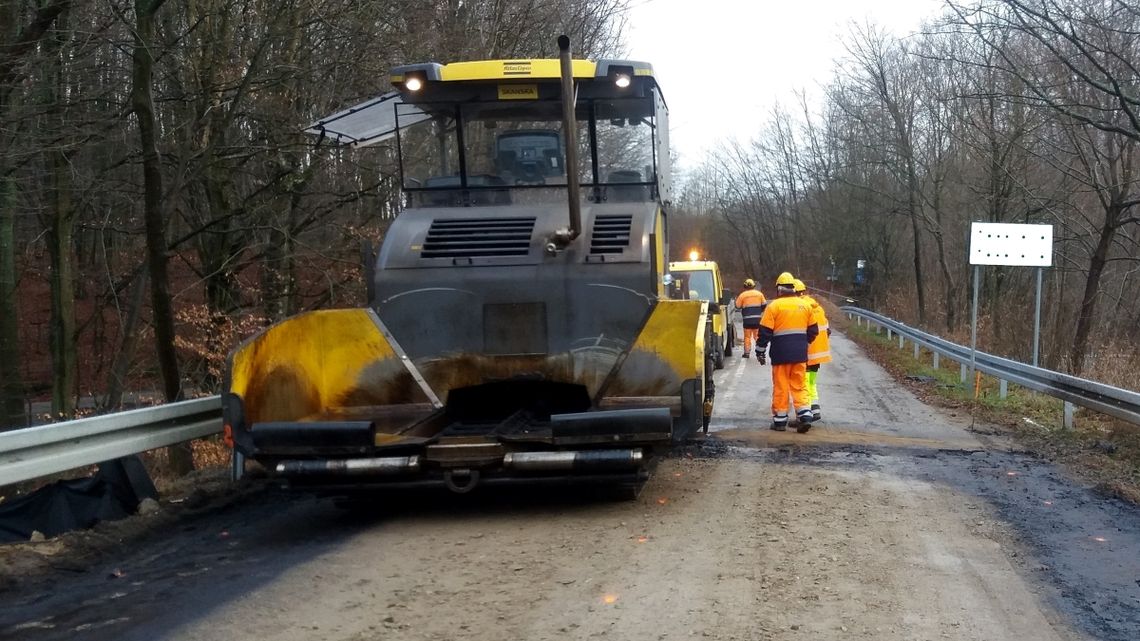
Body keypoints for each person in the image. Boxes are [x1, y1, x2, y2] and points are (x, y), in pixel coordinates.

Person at [756, 272, 818, 432]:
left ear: (779, 289)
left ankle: (780, 421)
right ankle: (805, 415)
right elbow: (813, 331)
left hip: (780, 355)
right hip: (799, 355)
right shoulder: (805, 306)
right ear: (793, 288)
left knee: (781, 387)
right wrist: (803, 343)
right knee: (799, 385)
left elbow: (764, 332)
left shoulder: (774, 307)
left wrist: (760, 351)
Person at [794, 279, 831, 421]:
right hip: (817, 355)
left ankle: (806, 413)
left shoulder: (802, 308)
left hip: (807, 353)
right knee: (811, 382)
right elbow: (827, 330)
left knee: (803, 384)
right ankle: (815, 409)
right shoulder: (818, 307)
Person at [734, 279, 768, 359]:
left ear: (745, 286)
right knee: (757, 336)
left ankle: (746, 353)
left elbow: (737, 306)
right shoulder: (759, 294)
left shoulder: (742, 295)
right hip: (757, 320)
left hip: (747, 320)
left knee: (747, 337)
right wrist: (760, 311)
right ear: (753, 286)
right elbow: (764, 304)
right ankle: (759, 352)